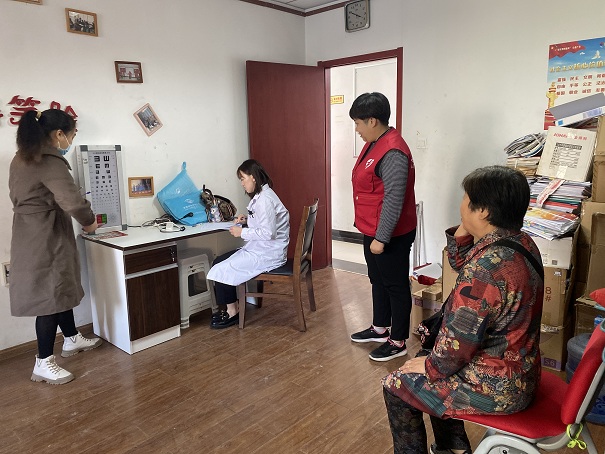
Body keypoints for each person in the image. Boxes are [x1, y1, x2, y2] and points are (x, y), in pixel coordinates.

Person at [381, 165, 544, 454]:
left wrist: (431, 366)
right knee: (431, 365)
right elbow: (460, 262)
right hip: (522, 373)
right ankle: (452, 449)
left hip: (497, 388)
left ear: (483, 211)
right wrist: (467, 226)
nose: (461, 205)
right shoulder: (521, 244)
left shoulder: (484, 271)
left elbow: (457, 348)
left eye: (466, 199)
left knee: (396, 384)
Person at [9, 109, 103, 385]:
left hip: (31, 231)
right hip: (45, 235)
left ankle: (72, 338)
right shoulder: (49, 161)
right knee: (49, 296)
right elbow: (73, 201)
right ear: (59, 134)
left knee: (59, 286)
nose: (70, 141)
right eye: (72, 135)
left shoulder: (22, 156)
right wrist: (90, 223)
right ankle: (43, 362)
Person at [348, 92, 417, 361]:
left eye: (358, 123)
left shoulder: (393, 151)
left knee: (395, 285)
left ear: (372, 120)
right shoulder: (375, 142)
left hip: (390, 233)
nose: (357, 129)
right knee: (377, 279)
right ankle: (380, 328)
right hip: (372, 228)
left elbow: (394, 198)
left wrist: (382, 238)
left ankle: (398, 341)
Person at [207, 159, 289, 329]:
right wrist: (247, 220)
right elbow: (265, 222)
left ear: (253, 177)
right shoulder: (264, 195)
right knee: (218, 262)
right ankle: (232, 308)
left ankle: (232, 313)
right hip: (263, 249)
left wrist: (241, 232)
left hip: (268, 253)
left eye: (243, 178)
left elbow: (268, 233)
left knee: (221, 266)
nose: (242, 183)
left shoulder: (265, 199)